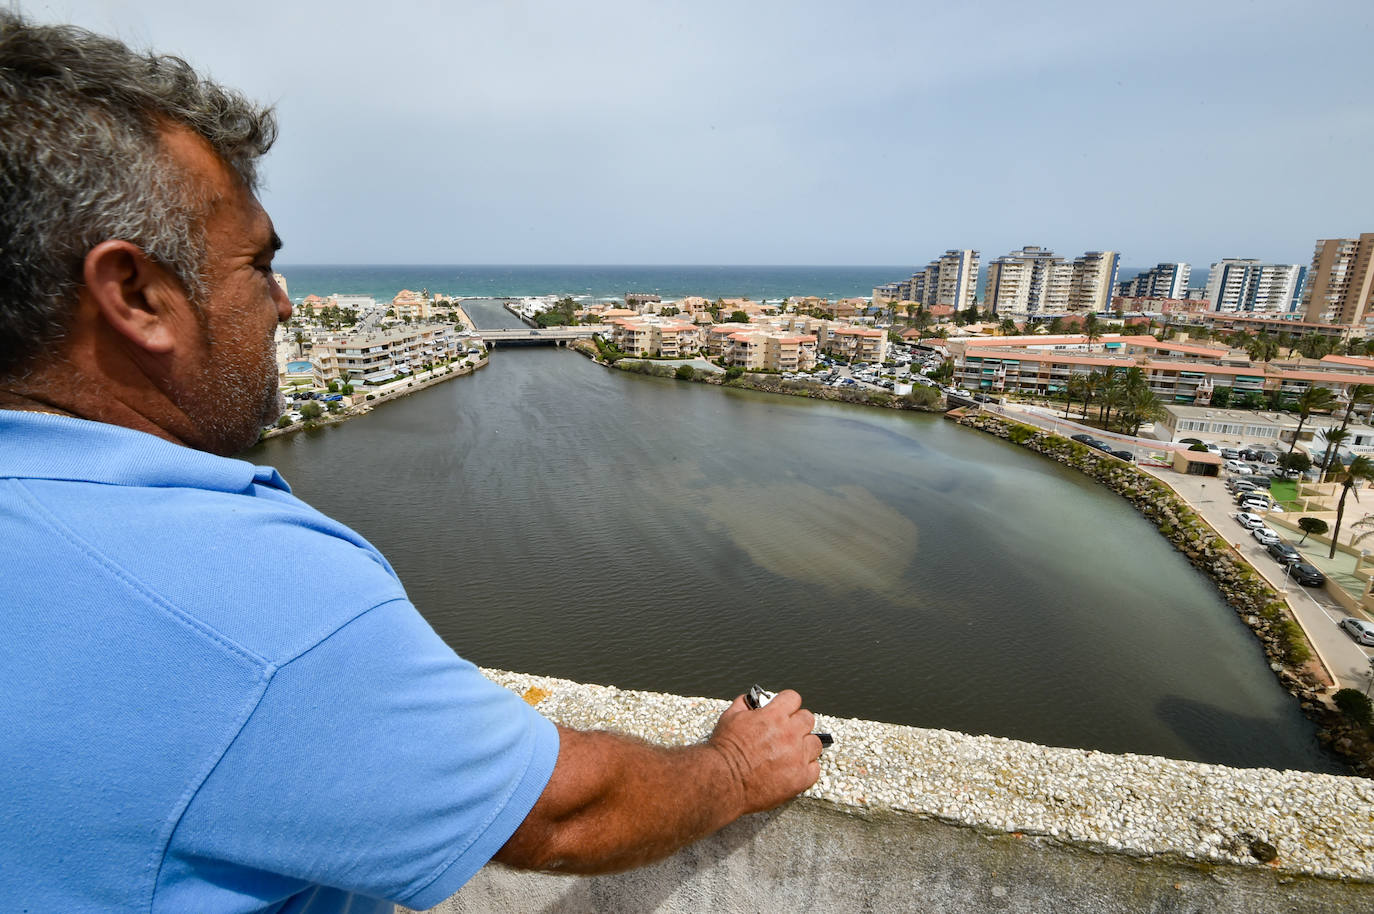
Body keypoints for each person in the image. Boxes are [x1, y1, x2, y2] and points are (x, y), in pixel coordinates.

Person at [0, 12, 821, 913]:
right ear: (136, 295)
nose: (282, 303)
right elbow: (565, 814)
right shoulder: (256, 602)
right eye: (257, 264)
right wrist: (736, 767)